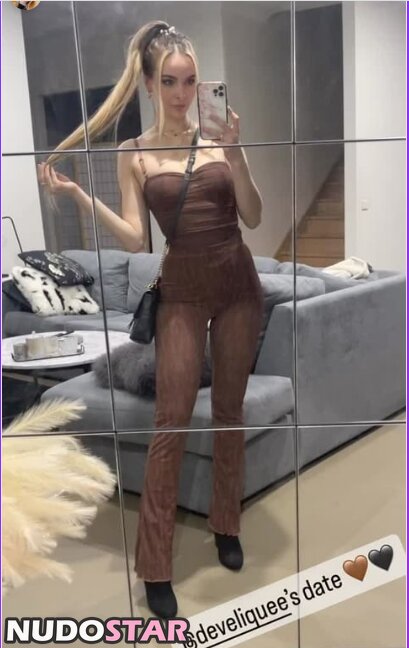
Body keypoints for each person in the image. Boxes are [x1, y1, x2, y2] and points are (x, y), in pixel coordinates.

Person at [38, 20, 264, 619]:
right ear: (148, 84)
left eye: (190, 81)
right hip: (182, 290)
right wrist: (82, 198)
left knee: (230, 412)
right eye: (169, 81)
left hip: (238, 285)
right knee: (171, 422)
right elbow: (138, 240)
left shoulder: (219, 139)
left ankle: (226, 525)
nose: (182, 93)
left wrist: (237, 153)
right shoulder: (133, 153)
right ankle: (156, 566)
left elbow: (254, 216)